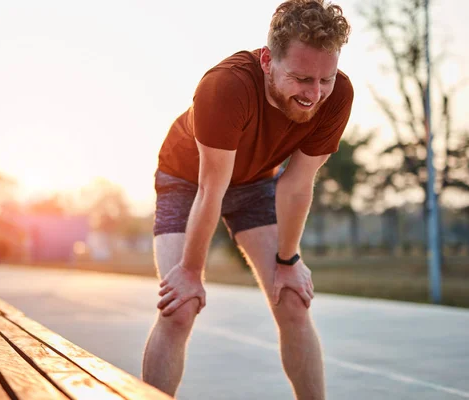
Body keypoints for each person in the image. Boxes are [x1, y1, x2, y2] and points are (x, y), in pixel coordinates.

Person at [142, 0, 353, 398]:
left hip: (256, 180)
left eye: (325, 79)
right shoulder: (226, 86)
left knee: (292, 301)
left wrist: (288, 261)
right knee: (179, 308)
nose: (315, 94)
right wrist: (190, 272)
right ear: (267, 61)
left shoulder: (337, 94)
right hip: (189, 179)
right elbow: (211, 189)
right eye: (302, 78)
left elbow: (296, 183)